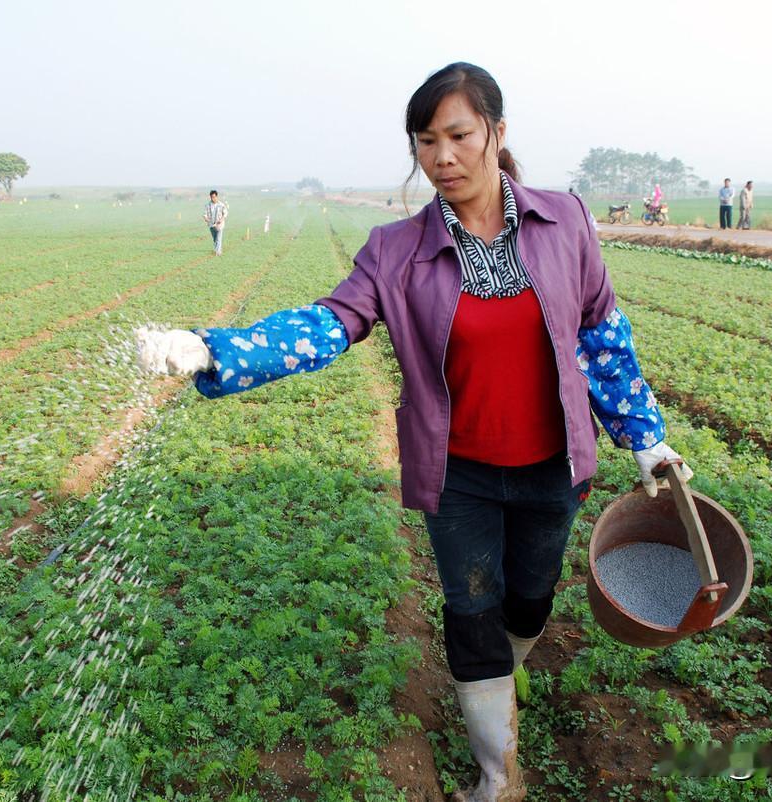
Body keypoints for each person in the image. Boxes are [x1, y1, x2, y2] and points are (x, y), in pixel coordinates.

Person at [135, 63, 692, 801]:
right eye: (425, 141)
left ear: (497, 132)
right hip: (457, 472)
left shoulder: (566, 223)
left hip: (551, 467)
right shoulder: (394, 250)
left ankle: (506, 676)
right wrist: (219, 349)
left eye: (458, 135)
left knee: (528, 600)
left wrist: (646, 436)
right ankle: (499, 775)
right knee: (470, 607)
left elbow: (601, 336)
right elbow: (330, 323)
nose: (442, 158)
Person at [203, 190, 229, 255]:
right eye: (211, 197)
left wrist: (222, 219)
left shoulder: (221, 205)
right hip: (211, 225)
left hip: (219, 225)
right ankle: (218, 249)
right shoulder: (207, 205)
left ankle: (217, 252)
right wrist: (206, 218)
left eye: (214, 197)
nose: (213, 198)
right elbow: (204, 214)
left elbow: (225, 213)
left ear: (217, 196)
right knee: (215, 239)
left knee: (218, 239)